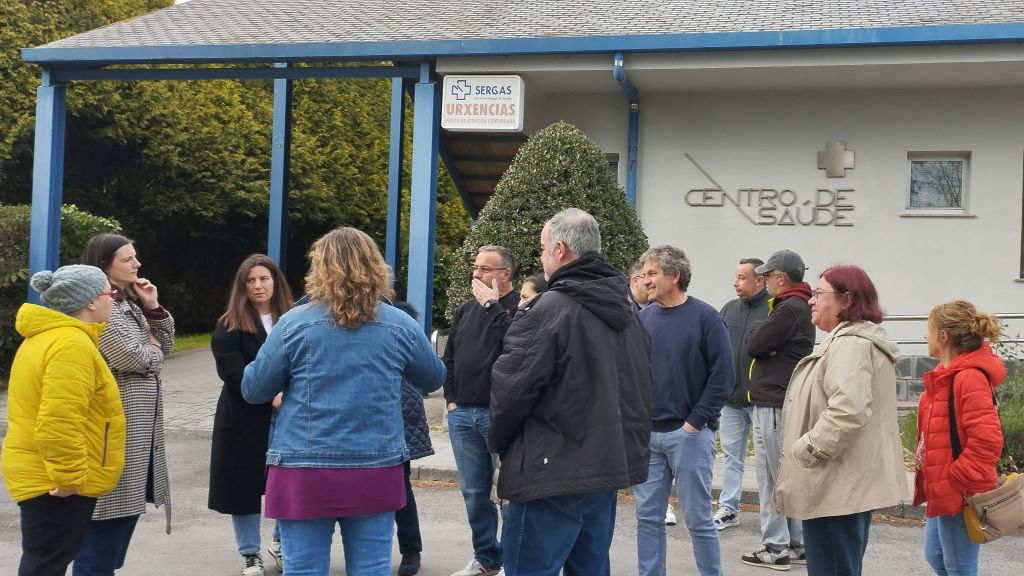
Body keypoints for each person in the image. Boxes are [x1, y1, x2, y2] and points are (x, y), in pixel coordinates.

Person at [241, 227, 444, 576]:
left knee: (303, 569)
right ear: (375, 268)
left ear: (319, 269)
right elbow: (434, 377)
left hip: (304, 468)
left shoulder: (293, 324)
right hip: (375, 465)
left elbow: (254, 388)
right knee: (371, 568)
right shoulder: (399, 324)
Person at [489, 208, 652, 576]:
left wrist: (499, 447)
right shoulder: (628, 312)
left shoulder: (548, 311)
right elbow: (641, 389)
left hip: (548, 475)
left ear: (560, 250)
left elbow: (510, 393)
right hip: (603, 470)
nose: (541, 257)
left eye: (543, 248)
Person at [775, 265, 908, 576]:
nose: (811, 300)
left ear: (846, 300)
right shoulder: (847, 342)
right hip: (840, 484)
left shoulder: (851, 345)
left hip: (835, 486)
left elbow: (848, 410)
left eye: (819, 294)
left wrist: (808, 449)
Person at [2, 266, 125, 576]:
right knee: (46, 565)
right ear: (91, 302)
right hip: (55, 481)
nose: (114, 300)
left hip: (43, 473)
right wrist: (69, 479)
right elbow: (60, 419)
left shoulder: (49, 338)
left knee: (44, 560)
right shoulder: (71, 344)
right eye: (110, 293)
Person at [75, 234, 175, 575]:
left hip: (137, 432)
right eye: (128, 259)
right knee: (101, 535)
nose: (137, 264)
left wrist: (153, 308)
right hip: (114, 433)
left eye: (136, 257)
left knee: (119, 530)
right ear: (104, 265)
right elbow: (132, 355)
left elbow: (166, 345)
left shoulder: (128, 304)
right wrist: (152, 350)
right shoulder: (99, 306)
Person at [634, 245, 733, 576]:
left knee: (698, 517)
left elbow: (723, 376)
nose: (645, 280)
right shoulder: (643, 318)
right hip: (648, 437)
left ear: (674, 276)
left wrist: (695, 422)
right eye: (644, 274)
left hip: (689, 436)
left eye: (652, 274)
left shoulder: (706, 317)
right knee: (648, 518)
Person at [208, 254, 294, 576]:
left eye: (264, 279)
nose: (258, 286)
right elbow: (232, 372)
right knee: (244, 486)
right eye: (251, 280)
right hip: (244, 417)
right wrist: (270, 395)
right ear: (242, 286)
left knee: (287, 482)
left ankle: (283, 543)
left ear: (276, 282)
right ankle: (249, 554)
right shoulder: (229, 323)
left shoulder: (294, 317)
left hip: (289, 414)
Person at [443, 245, 520, 576]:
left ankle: (514, 562)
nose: (476, 274)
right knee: (474, 494)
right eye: (475, 268)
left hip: (500, 415)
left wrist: (492, 306)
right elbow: (451, 357)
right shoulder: (465, 310)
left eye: (485, 269)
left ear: (505, 274)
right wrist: (451, 399)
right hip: (463, 414)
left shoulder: (521, 310)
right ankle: (487, 559)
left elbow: (517, 350)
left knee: (510, 494)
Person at [915, 300, 1005, 576]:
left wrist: (956, 477)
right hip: (944, 486)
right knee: (937, 556)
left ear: (943, 336)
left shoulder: (968, 378)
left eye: (928, 330)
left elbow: (987, 440)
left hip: (958, 488)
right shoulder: (946, 376)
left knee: (959, 567)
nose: (924, 337)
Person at [742, 250, 813, 569]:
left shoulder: (788, 309)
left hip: (773, 400)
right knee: (785, 472)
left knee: (771, 475)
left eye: (768, 276)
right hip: (784, 398)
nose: (765, 281)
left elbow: (755, 344)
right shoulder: (798, 307)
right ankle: (796, 541)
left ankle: (776, 545)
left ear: (781, 279)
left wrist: (759, 337)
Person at [714, 257, 769, 532]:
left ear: (759, 280)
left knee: (765, 459)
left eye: (742, 278)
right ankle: (728, 508)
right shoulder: (729, 309)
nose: (736, 283)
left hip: (761, 401)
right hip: (731, 400)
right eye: (736, 277)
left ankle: (770, 515)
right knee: (732, 456)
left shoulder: (774, 310)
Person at [392, 301, 434, 576]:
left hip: (399, 416)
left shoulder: (399, 319)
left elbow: (430, 373)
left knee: (400, 488)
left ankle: (411, 549)